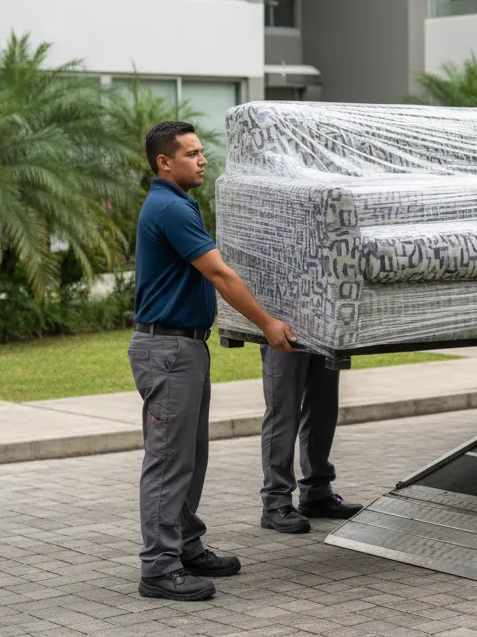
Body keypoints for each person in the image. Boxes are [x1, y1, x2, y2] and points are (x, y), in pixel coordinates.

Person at [130, 120, 297, 602]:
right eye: (192, 153)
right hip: (167, 350)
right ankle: (159, 568)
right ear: (165, 162)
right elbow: (221, 275)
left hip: (183, 348)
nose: (203, 159)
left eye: (202, 152)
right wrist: (267, 324)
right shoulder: (169, 207)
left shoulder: (179, 204)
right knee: (167, 461)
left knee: (190, 457)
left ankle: (184, 544)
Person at [257, 345, 363, 533]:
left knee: (323, 409)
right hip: (282, 327)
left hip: (324, 329)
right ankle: (275, 501)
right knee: (282, 414)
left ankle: (317, 494)